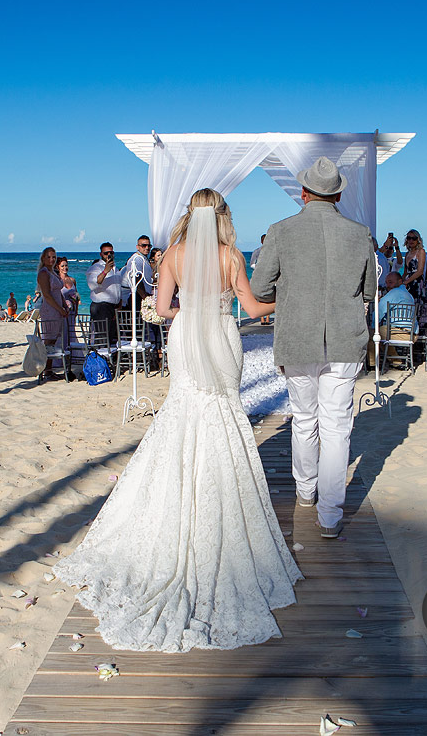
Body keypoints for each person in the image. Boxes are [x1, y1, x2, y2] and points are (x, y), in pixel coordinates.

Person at [53, 188, 295, 653]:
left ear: (190, 216)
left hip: (185, 337)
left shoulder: (174, 256)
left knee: (184, 409)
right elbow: (252, 309)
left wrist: (192, 310)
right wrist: (287, 298)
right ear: (222, 216)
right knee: (222, 410)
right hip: (223, 337)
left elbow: (163, 310)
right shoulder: (231, 256)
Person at [252, 157, 375, 539]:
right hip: (344, 338)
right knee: (337, 428)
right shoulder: (359, 234)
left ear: (304, 193)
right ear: (337, 194)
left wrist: (289, 294)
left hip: (298, 339)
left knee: (304, 420)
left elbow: (258, 289)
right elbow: (369, 291)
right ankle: (330, 514)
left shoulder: (281, 230)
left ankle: (306, 491)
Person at [369, 272, 415, 368]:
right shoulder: (408, 294)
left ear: (400, 281)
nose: (388, 285)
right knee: (381, 332)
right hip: (412, 333)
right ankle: (396, 361)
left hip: (401, 332)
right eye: (386, 283)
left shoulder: (394, 293)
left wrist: (373, 326)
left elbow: (379, 311)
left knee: (373, 333)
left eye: (390, 282)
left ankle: (373, 364)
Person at [36, 247, 67, 380]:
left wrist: (64, 305)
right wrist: (59, 309)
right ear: (43, 258)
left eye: (53, 257)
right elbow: (47, 295)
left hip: (57, 308)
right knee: (48, 340)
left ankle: (49, 369)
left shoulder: (52, 272)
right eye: (49, 257)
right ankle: (46, 370)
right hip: (50, 309)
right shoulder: (43, 273)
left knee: (53, 340)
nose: (52, 259)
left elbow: (57, 291)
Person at [87, 242, 122, 344]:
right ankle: (100, 359)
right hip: (101, 306)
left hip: (113, 307)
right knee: (102, 337)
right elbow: (93, 284)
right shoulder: (96, 267)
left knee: (111, 337)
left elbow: (117, 287)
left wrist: (119, 302)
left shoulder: (115, 269)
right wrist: (105, 271)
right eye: (106, 253)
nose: (109, 255)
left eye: (111, 252)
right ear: (101, 254)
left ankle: (107, 358)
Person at [401, 229, 427, 330]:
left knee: (419, 309)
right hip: (408, 284)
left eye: (414, 238)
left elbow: (420, 271)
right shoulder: (407, 254)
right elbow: (405, 272)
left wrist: (407, 281)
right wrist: (400, 282)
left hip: (417, 284)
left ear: (418, 240)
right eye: (409, 238)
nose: (411, 240)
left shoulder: (421, 252)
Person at [122, 235, 154, 305]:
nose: (147, 248)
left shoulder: (144, 259)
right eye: (144, 245)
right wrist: (145, 297)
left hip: (143, 295)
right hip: (137, 296)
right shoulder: (136, 259)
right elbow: (137, 279)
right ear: (137, 247)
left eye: (149, 246)